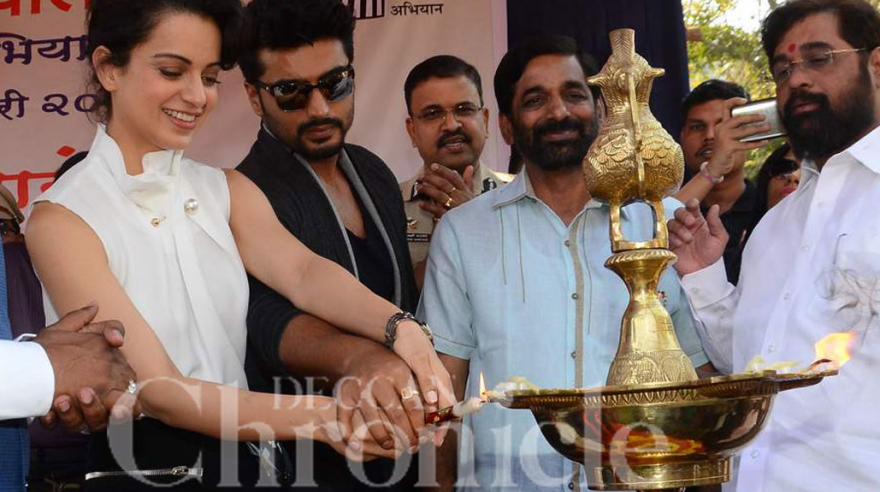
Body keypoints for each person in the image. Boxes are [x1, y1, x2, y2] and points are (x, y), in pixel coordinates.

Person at [25, 0, 452, 489]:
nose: (196, 96)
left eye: (209, 77)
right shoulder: (61, 217)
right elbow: (161, 389)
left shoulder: (223, 188)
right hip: (144, 469)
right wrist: (329, 418)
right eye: (172, 71)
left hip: (249, 463)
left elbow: (305, 274)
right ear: (108, 68)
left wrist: (403, 330)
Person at [419, 34, 711, 492]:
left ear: (600, 110)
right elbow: (443, 392)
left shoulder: (660, 222)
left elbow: (702, 382)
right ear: (509, 127)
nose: (558, 112)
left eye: (574, 95)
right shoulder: (463, 232)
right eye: (536, 100)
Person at [669, 0, 880, 490]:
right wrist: (703, 275)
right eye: (783, 69)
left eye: (819, 57)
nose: (797, 80)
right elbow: (747, 364)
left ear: (875, 64)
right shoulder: (775, 225)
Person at [236, 0, 428, 488]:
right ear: (254, 97)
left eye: (335, 83)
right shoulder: (245, 191)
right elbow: (264, 318)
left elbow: (396, 291)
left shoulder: (374, 172)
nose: (319, 108)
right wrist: (358, 359)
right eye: (291, 92)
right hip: (304, 460)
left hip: (401, 450)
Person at [399, 55, 513, 288]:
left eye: (464, 109)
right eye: (432, 113)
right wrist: (448, 237)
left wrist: (476, 224)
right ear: (412, 131)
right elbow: (392, 304)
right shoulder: (386, 206)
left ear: (485, 120)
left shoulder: (521, 197)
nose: (451, 125)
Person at [674, 80, 769, 284]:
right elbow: (650, 238)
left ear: (750, 134)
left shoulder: (771, 208)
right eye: (698, 127)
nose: (710, 136)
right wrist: (712, 171)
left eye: (722, 126)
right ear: (682, 137)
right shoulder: (669, 208)